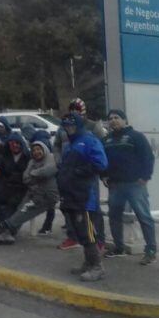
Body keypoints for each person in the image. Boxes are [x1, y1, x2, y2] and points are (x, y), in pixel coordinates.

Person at [57, 113, 109, 282]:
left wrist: (80, 172)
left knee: (87, 233)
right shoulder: (69, 144)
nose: (69, 129)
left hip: (84, 196)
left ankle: (97, 266)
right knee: (80, 233)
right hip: (71, 194)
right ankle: (88, 263)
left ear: (79, 125)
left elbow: (101, 163)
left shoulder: (89, 140)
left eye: (72, 126)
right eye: (66, 126)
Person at [101, 109, 157, 265]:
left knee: (144, 216)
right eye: (110, 118)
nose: (113, 121)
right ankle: (118, 248)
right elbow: (102, 160)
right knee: (114, 217)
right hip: (115, 185)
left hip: (135, 185)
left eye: (117, 117)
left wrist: (145, 177)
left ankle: (151, 250)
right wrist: (103, 175)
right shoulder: (107, 140)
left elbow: (148, 157)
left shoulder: (136, 137)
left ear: (125, 120)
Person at [50, 97, 107, 248]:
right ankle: (73, 237)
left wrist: (87, 169)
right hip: (67, 173)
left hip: (85, 177)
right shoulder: (63, 128)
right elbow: (56, 145)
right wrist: (58, 160)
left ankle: (98, 240)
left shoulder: (92, 128)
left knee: (91, 209)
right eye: (72, 108)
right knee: (69, 207)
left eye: (77, 109)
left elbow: (102, 151)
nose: (75, 111)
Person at [0, 137, 58, 244]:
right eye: (34, 150)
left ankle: (3, 228)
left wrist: (34, 173)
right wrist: (36, 175)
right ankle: (6, 232)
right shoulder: (31, 161)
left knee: (23, 211)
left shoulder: (51, 158)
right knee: (20, 210)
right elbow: (26, 178)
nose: (36, 152)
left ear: (44, 149)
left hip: (45, 196)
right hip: (32, 192)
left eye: (39, 149)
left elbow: (48, 171)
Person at [0, 133, 29, 227]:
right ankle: (4, 225)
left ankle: (7, 227)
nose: (15, 146)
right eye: (12, 144)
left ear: (21, 144)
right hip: (9, 188)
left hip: (23, 190)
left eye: (17, 143)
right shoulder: (6, 156)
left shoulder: (27, 157)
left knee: (12, 203)